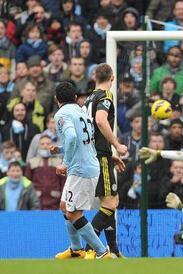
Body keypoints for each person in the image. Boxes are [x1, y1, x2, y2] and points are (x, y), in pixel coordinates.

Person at [51, 81, 113, 259]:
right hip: (88, 165)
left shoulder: (62, 114)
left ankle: (102, 251)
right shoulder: (81, 111)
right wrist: (61, 149)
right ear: (76, 98)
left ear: (57, 99)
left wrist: (65, 162)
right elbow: (83, 141)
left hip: (80, 169)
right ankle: (76, 249)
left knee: (73, 212)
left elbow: (71, 137)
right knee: (65, 206)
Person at [83, 64, 128, 258]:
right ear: (113, 77)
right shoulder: (105, 96)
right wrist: (116, 145)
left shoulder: (88, 100)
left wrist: (111, 154)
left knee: (107, 202)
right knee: (111, 203)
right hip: (99, 155)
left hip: (93, 154)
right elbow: (101, 120)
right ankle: (89, 249)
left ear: (95, 77)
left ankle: (114, 251)